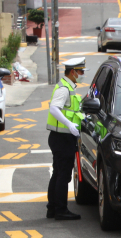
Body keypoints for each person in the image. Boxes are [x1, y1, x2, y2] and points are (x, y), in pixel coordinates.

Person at [46, 57, 88, 220]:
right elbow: (54, 109)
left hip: (61, 137)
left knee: (58, 174)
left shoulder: (69, 86)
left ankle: (53, 208)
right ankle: (60, 210)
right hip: (62, 138)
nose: (83, 74)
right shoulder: (64, 88)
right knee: (63, 175)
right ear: (73, 72)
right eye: (81, 71)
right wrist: (69, 124)